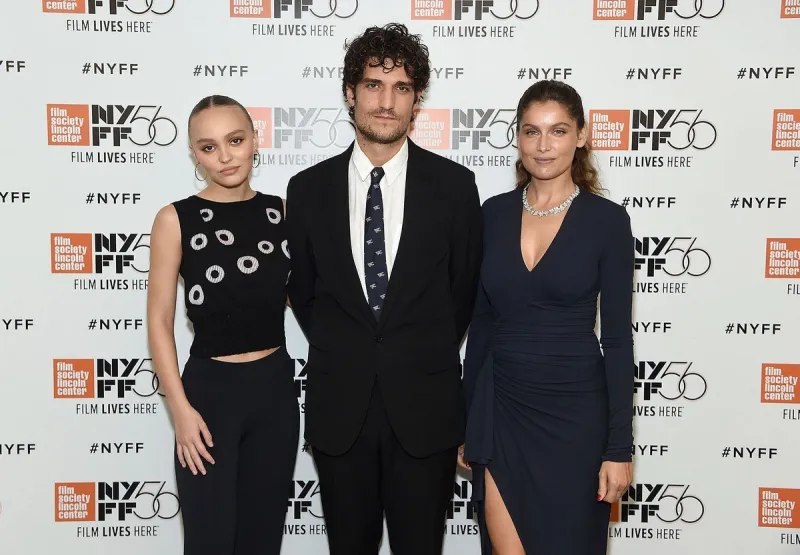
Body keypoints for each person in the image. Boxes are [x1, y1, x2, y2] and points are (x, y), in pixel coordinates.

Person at [285, 22, 483, 555]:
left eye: (401, 88)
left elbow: (460, 295)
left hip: (425, 410)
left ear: (417, 99)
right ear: (351, 93)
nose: (386, 101)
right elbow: (305, 294)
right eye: (374, 84)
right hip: (339, 410)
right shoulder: (306, 192)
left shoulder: (455, 188)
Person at [460, 80, 635, 555]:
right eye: (531, 131)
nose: (543, 145)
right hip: (502, 413)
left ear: (581, 135)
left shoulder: (607, 222)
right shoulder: (491, 216)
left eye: (557, 131)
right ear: (517, 137)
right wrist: (465, 422)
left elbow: (618, 342)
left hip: (577, 419)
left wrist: (618, 448)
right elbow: (480, 327)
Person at [146, 95, 299, 555]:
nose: (225, 156)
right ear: (194, 154)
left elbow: (316, 300)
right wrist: (181, 410)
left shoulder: (284, 213)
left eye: (235, 140)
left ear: (256, 140)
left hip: (274, 392)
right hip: (208, 396)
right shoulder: (175, 219)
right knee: (209, 541)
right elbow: (159, 319)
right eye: (209, 147)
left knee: (262, 540)